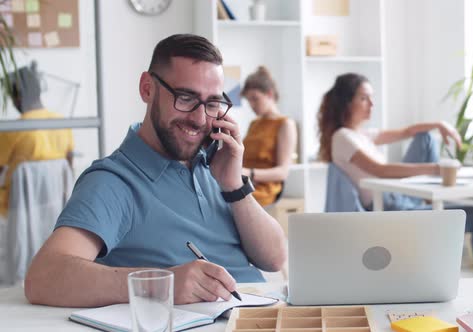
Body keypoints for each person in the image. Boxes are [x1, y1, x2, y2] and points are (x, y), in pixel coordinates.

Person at [24, 34, 287, 307]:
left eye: (211, 104)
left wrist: (235, 186)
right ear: (147, 88)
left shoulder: (217, 166)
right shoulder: (113, 182)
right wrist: (162, 284)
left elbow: (275, 258)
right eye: (185, 98)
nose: (199, 119)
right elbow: (44, 277)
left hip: (263, 314)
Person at [317, 73, 473, 277]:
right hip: (387, 205)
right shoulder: (342, 137)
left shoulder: (362, 135)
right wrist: (436, 169)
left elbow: (406, 132)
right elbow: (380, 170)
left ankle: (428, 196)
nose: (372, 104)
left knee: (425, 138)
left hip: (399, 198)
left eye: (371, 97)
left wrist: (439, 124)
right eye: (364, 98)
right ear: (346, 102)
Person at [0, 62, 74, 217]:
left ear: (18, 97)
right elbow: (69, 163)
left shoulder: (12, 130)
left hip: (18, 209)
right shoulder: (63, 123)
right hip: (56, 204)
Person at [240, 66, 297, 206]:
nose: (252, 105)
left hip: (264, 188)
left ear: (269, 94)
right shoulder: (254, 124)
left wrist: (249, 173)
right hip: (244, 181)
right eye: (249, 100)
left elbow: (283, 172)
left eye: (255, 99)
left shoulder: (285, 124)